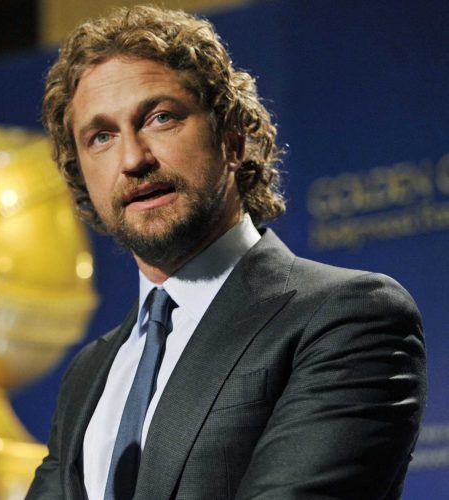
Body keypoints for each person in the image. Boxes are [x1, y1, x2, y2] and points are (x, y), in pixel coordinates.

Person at [27, 5, 426, 499]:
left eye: (160, 118)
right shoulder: (89, 372)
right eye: (101, 137)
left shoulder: (346, 318)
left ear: (232, 138)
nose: (132, 159)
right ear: (80, 172)